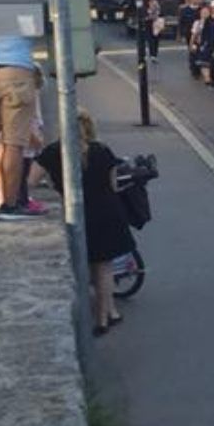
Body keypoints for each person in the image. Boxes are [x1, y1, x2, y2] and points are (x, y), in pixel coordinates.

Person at [36, 109, 131, 333]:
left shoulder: (53, 151)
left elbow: (31, 179)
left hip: (78, 215)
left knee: (87, 264)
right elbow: (114, 185)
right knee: (104, 267)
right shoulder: (102, 150)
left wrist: (53, 185)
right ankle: (104, 317)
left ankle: (106, 315)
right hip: (107, 214)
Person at [0, 31, 44, 219]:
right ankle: (10, 205)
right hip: (16, 70)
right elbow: (37, 28)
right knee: (13, 144)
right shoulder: (21, 3)